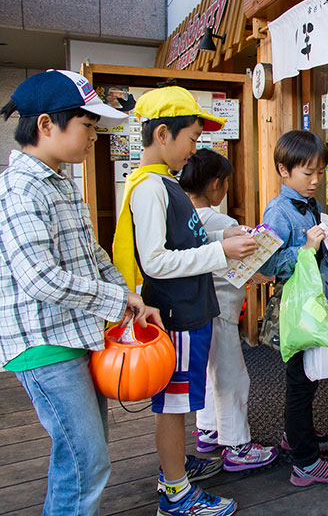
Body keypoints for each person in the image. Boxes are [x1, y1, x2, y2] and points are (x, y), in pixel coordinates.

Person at [0, 69, 162, 515]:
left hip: (70, 337)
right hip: (43, 344)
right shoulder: (21, 187)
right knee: (84, 461)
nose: (94, 137)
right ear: (47, 125)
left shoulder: (59, 182)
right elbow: (39, 277)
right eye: (88, 126)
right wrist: (116, 300)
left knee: (83, 457)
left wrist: (127, 297)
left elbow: (92, 255)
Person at [113, 86, 258, 516]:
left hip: (187, 309)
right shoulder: (150, 188)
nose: (194, 151)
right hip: (174, 312)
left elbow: (184, 240)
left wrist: (221, 237)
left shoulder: (164, 184)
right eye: (193, 139)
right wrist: (221, 252)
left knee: (180, 401)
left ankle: (175, 466)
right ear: (162, 134)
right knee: (174, 405)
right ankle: (175, 491)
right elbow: (155, 261)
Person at [260, 130, 328, 486]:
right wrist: (308, 250)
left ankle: (298, 436)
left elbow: (314, 258)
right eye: (306, 173)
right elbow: (266, 264)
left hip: (316, 304)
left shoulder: (309, 203)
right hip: (297, 309)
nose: (315, 180)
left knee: (309, 378)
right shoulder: (279, 210)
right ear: (284, 171)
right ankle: (304, 461)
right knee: (300, 382)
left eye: (320, 172)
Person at [179, 149, 278, 472]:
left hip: (196, 309)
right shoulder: (222, 222)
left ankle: (208, 428)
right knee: (232, 376)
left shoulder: (182, 218)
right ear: (217, 186)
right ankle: (237, 445)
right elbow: (246, 267)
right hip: (221, 309)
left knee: (211, 372)